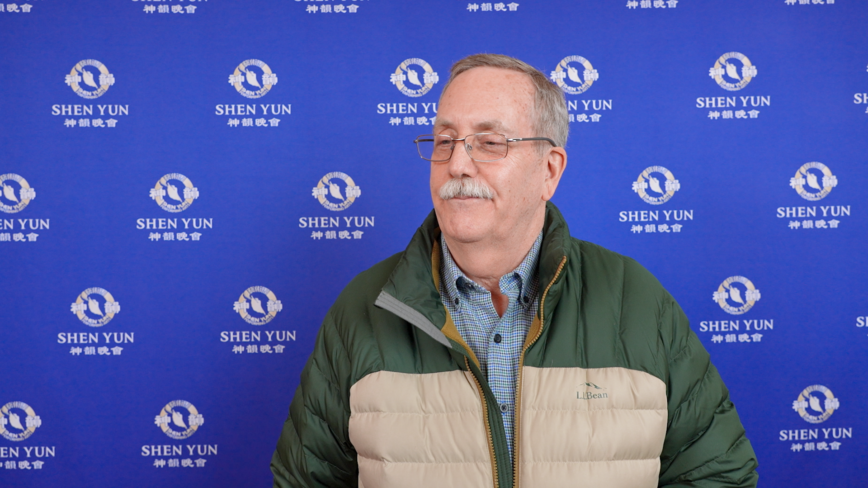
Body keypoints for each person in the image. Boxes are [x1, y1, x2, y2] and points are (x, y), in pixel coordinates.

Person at [271, 53, 758, 488]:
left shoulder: (638, 302)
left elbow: (717, 475)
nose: (457, 164)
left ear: (549, 170)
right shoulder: (363, 308)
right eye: (445, 140)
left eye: (489, 142)